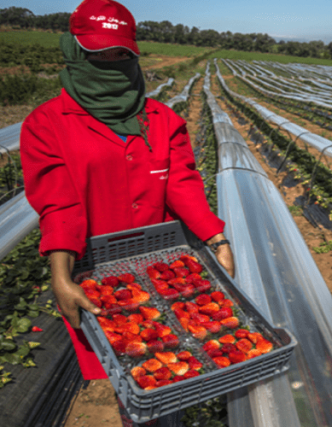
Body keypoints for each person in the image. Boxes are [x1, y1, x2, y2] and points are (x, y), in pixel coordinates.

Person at [20, 0, 233, 425]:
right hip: (96, 273)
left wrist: (216, 238)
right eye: (99, 53)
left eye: (121, 54)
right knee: (132, 375)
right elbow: (57, 202)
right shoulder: (48, 125)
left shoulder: (163, 120)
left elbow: (183, 185)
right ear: (75, 51)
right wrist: (61, 276)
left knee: (169, 361)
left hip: (162, 269)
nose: (112, 62)